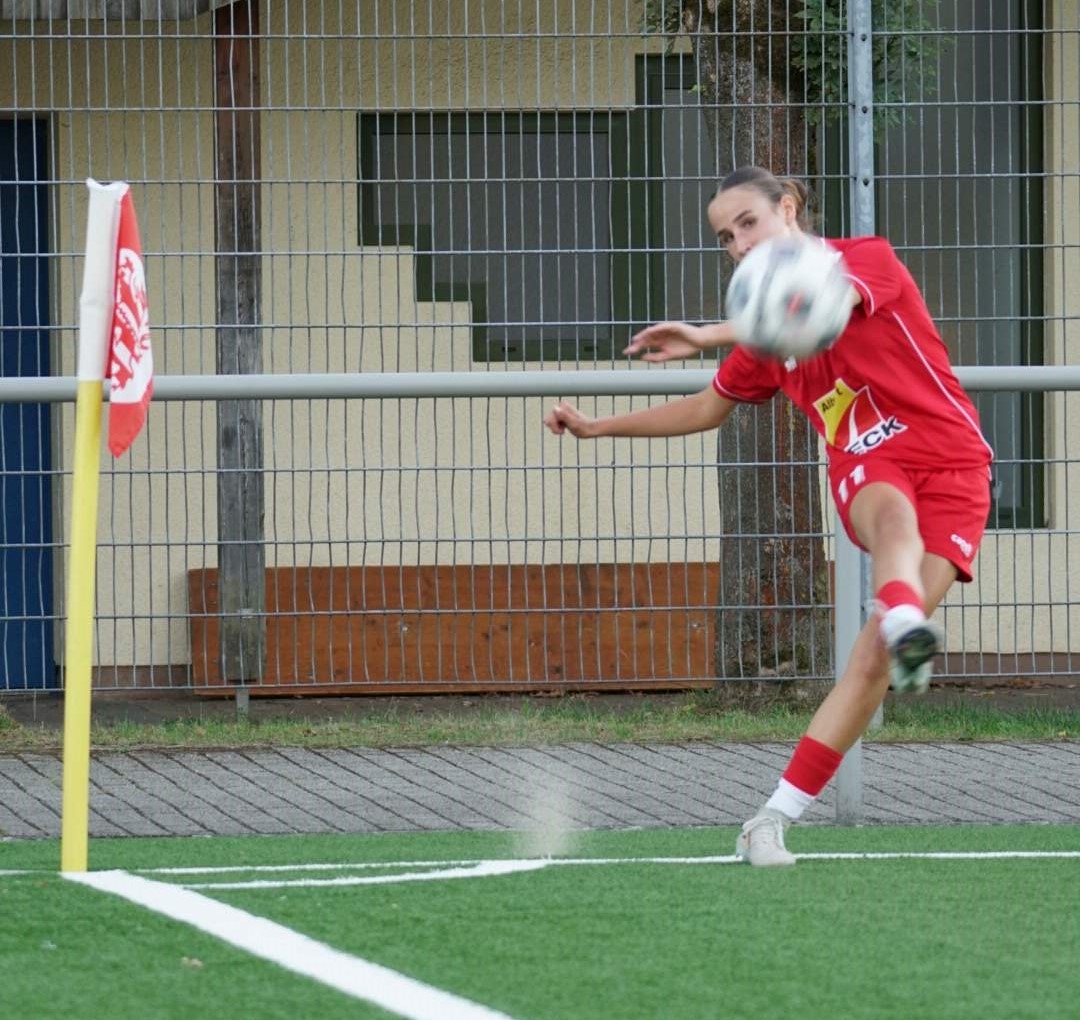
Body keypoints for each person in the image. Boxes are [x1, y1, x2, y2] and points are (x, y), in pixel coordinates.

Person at [543, 165, 993, 867]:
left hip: (956, 465)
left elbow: (815, 305)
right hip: (869, 464)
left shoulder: (864, 259)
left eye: (747, 223)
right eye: (726, 237)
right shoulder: (762, 342)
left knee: (871, 661)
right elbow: (706, 408)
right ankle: (900, 628)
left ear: (788, 208)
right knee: (891, 519)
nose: (739, 244)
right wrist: (599, 427)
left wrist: (708, 333)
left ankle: (774, 810)